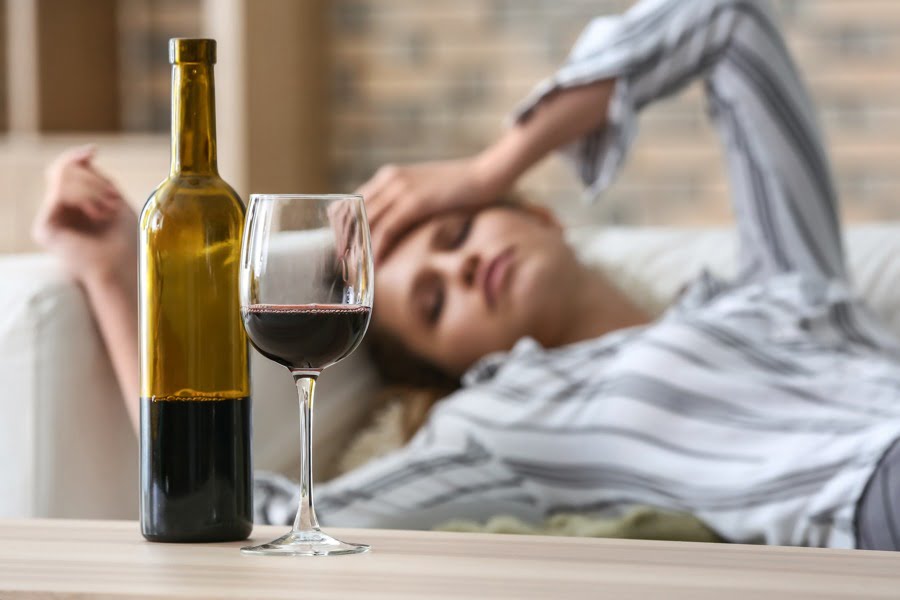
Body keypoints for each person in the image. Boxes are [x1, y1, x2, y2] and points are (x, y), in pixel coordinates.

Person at [33, 0, 900, 550]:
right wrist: (115, 277)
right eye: (433, 300)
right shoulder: (501, 421)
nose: (462, 264)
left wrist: (491, 165)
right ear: (443, 363)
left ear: (539, 215)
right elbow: (259, 510)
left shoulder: (777, 281)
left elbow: (729, 21)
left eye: (457, 229)